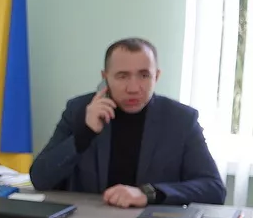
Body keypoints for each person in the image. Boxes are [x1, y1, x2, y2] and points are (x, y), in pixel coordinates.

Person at [29, 37, 226, 207]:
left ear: (156, 76)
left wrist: (148, 193)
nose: (133, 88)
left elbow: (214, 189)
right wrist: (84, 134)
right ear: (105, 77)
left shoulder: (181, 119)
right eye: (122, 76)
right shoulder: (79, 110)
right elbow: (40, 179)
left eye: (144, 75)